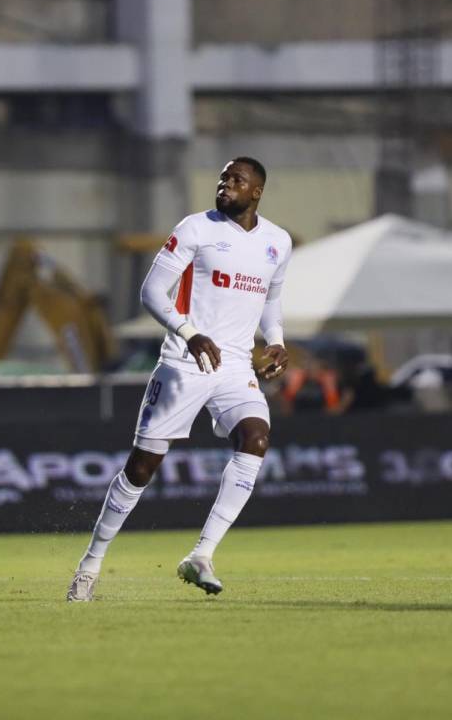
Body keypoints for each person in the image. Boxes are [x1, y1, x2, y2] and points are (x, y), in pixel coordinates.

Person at [67, 157, 291, 601]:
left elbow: (273, 299)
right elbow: (151, 292)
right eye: (223, 177)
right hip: (184, 362)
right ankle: (89, 565)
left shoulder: (277, 242)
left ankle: (202, 555)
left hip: (234, 367)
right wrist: (189, 333)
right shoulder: (195, 228)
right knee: (141, 468)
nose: (225, 184)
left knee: (257, 438)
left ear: (256, 192)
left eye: (236, 179)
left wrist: (277, 340)